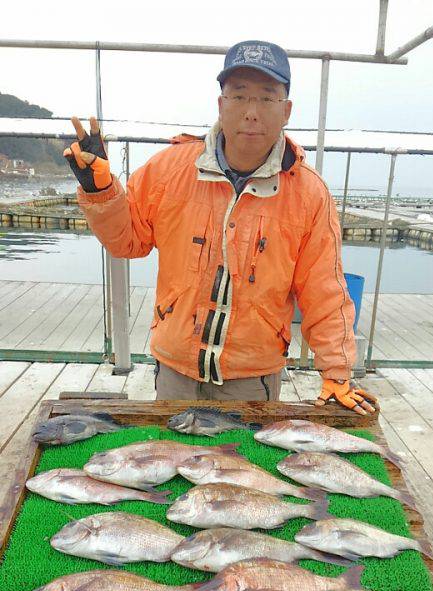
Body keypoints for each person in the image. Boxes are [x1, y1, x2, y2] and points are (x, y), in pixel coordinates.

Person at [65, 39, 377, 415]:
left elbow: (324, 287)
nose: (251, 112)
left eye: (267, 98)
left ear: (287, 110)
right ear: (221, 104)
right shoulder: (168, 169)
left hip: (252, 377)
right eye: (239, 96)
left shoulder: (309, 194)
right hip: (175, 368)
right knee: (171, 465)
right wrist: (100, 191)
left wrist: (337, 371)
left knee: (243, 467)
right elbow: (128, 241)